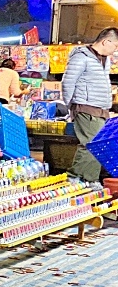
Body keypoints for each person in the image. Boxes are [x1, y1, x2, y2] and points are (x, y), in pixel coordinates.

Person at [60, 28, 118, 182]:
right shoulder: (81, 57)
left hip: (100, 109)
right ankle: (76, 177)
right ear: (106, 42)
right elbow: (67, 82)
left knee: (97, 146)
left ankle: (89, 180)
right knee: (91, 145)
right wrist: (70, 105)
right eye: (116, 46)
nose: (115, 50)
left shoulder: (103, 59)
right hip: (86, 107)